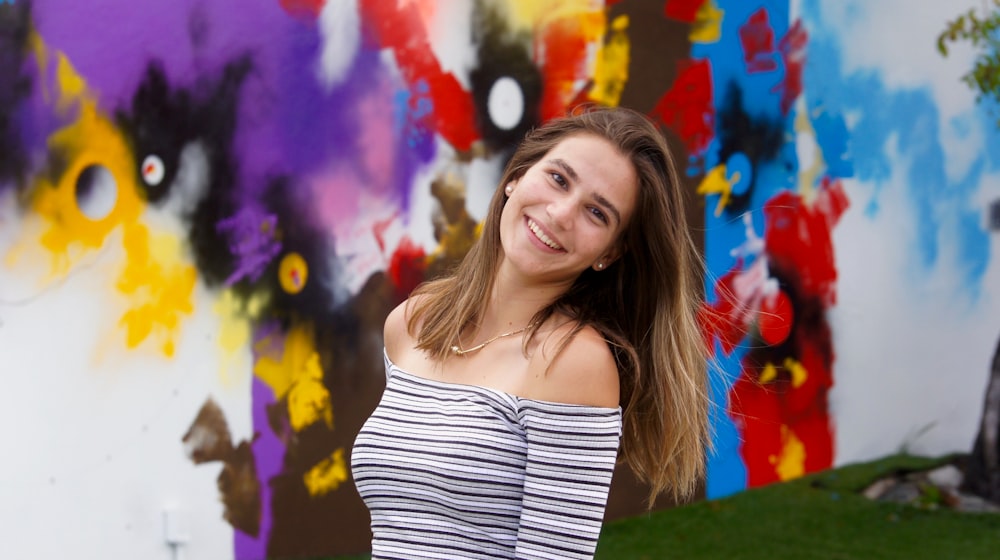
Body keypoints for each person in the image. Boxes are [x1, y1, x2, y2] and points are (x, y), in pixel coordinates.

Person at [351, 106, 710, 560]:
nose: (561, 213)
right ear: (516, 176)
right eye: (559, 179)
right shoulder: (414, 322)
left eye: (597, 213)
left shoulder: (574, 362)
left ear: (610, 252)